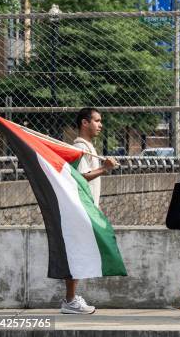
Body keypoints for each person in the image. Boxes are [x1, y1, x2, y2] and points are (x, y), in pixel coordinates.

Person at [61, 107, 118, 315]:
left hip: (86, 208)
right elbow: (80, 176)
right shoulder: (79, 146)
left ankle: (71, 299)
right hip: (80, 209)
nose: (100, 124)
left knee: (81, 253)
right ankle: (69, 300)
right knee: (77, 253)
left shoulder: (88, 147)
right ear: (84, 123)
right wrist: (105, 168)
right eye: (96, 120)